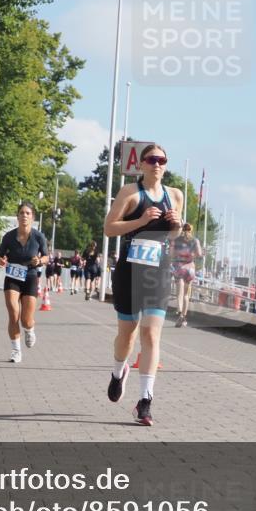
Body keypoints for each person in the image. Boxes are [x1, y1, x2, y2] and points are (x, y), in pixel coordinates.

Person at [104, 144, 183, 426]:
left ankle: (145, 401)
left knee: (151, 334)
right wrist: (139, 220)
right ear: (142, 164)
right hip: (129, 270)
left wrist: (176, 224)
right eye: (152, 160)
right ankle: (117, 371)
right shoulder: (130, 193)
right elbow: (109, 228)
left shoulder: (174, 195)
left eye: (162, 160)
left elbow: (173, 234)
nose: (157, 164)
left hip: (158, 272)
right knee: (127, 336)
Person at [0, 202, 49, 363]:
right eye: (21, 213)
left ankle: (29, 329)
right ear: (17, 216)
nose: (24, 216)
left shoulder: (38, 236)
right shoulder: (9, 236)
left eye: (27, 213)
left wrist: (39, 260)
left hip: (30, 276)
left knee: (26, 319)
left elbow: (47, 257)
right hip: (12, 276)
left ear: (32, 217)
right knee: (13, 313)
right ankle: (16, 351)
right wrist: (1, 261)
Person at [171, 222, 203, 327]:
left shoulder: (175, 240)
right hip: (190, 268)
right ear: (191, 230)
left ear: (182, 230)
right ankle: (184, 317)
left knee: (179, 292)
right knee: (186, 294)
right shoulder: (195, 240)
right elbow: (199, 254)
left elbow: (171, 254)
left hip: (179, 267)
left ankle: (179, 311)